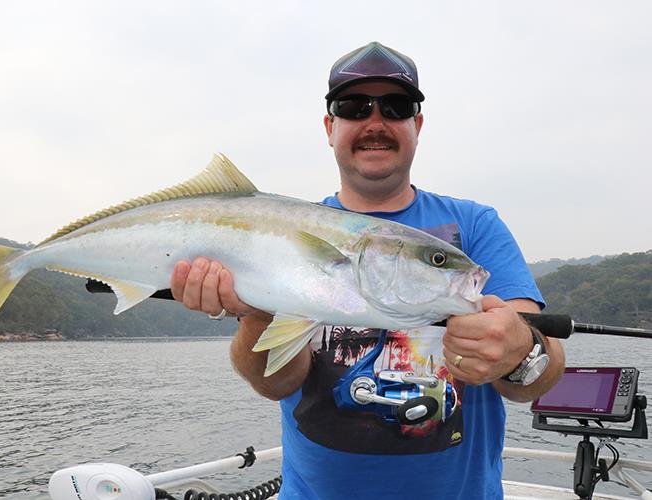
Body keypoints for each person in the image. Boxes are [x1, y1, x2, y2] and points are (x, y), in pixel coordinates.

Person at [170, 41, 565, 499]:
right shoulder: (285, 231)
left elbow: (540, 377)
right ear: (329, 127)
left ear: (417, 126)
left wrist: (522, 349)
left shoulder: (475, 226)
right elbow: (274, 383)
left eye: (396, 107)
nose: (375, 122)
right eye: (354, 106)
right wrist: (257, 312)